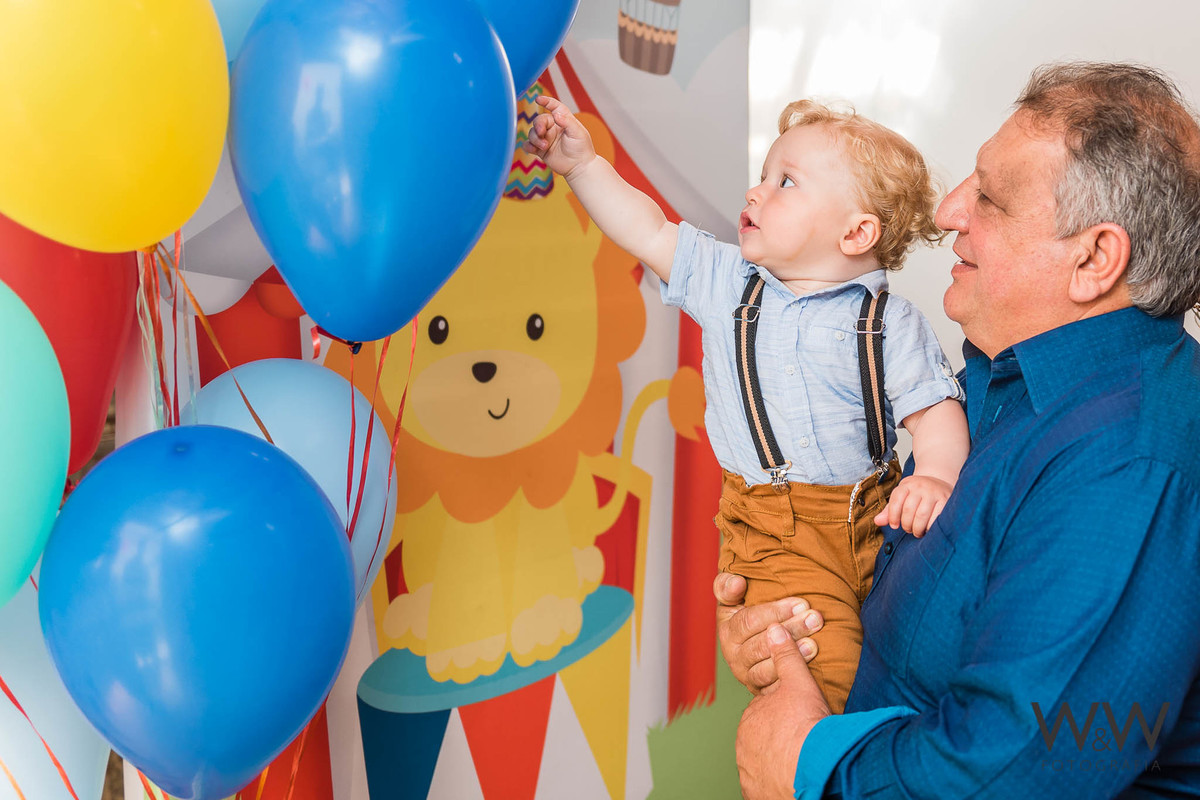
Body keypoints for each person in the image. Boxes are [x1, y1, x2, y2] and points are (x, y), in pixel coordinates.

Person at [722, 61, 1200, 799]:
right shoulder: (1002, 386)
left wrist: (812, 768)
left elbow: (1019, 767)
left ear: (1095, 259)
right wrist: (785, 633)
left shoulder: (1127, 461)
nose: (947, 212)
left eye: (992, 199)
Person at [524, 94, 970, 712]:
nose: (756, 193)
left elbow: (934, 411)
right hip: (775, 530)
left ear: (856, 232)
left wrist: (939, 476)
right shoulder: (726, 280)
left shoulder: (891, 322)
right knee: (823, 673)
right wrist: (583, 168)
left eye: (785, 182)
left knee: (902, 668)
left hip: (877, 521)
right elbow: (647, 228)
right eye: (762, 176)